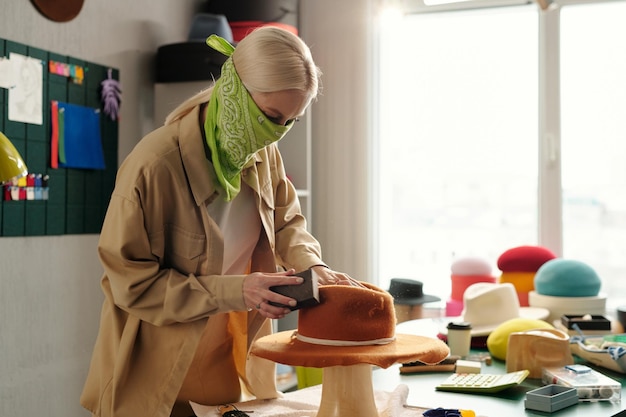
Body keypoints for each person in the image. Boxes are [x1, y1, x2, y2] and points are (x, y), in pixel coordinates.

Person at [80, 27, 355, 417]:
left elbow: (286, 220)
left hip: (231, 361)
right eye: (272, 116)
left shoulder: (264, 151)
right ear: (235, 87)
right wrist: (237, 291)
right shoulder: (155, 166)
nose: (275, 133)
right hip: (158, 372)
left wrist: (312, 262)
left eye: (290, 122)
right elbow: (133, 285)